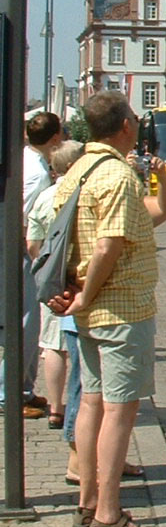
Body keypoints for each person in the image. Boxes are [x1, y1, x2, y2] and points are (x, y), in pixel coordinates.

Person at [48, 91, 166, 527]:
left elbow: (60, 237)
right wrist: (87, 294)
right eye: (135, 118)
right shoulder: (118, 175)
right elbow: (109, 244)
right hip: (120, 308)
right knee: (120, 411)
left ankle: (87, 503)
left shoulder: (77, 171)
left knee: (92, 403)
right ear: (124, 125)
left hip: (88, 311)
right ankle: (108, 515)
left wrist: (74, 291)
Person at [1, 112, 64, 419]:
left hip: (16, 249)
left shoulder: (25, 158)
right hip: (21, 251)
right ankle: (8, 392)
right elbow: (23, 217)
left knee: (28, 321)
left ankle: (23, 388)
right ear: (55, 138)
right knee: (26, 322)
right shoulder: (38, 173)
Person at [26, 140, 87, 429]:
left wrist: (45, 268)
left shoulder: (45, 196)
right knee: (80, 345)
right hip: (79, 280)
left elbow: (32, 243)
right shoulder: (81, 193)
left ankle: (55, 409)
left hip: (51, 279)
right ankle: (81, 405)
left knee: (52, 345)